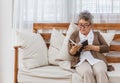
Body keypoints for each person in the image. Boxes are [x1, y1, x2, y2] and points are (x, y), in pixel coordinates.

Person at [68, 10, 114, 83]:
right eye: (80, 24)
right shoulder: (75, 34)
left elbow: (106, 48)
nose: (82, 27)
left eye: (85, 25)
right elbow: (70, 52)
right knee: (87, 72)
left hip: (97, 60)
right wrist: (74, 50)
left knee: (100, 71)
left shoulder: (96, 34)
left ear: (90, 25)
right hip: (81, 61)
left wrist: (92, 47)